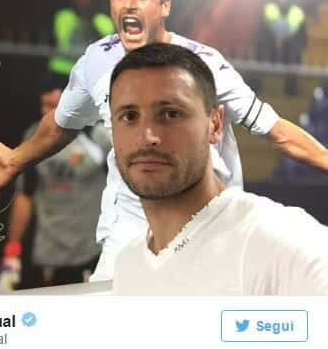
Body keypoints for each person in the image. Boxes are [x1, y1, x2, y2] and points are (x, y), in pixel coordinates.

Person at [0, 0, 328, 283]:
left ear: (164, 5)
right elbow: (60, 125)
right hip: (128, 230)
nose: (129, 4)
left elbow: (278, 132)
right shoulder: (97, 61)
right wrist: (16, 159)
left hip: (205, 226)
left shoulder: (203, 64)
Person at [109, 43, 328, 295]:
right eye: (129, 116)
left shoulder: (278, 239)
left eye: (170, 114)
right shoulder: (128, 265)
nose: (147, 137)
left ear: (215, 124)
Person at [0, 75, 110, 290]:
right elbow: (25, 195)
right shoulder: (32, 137)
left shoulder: (98, 135)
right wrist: (11, 253)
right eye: (44, 105)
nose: (47, 112)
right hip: (48, 252)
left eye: (54, 106)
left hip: (91, 252)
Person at [48, 0, 114, 76]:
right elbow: (64, 44)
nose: (81, 4)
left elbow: (104, 49)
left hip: (90, 73)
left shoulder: (104, 21)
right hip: (63, 70)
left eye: (84, 0)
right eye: (78, 0)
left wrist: (90, 21)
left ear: (91, 1)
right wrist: (82, 19)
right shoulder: (64, 17)